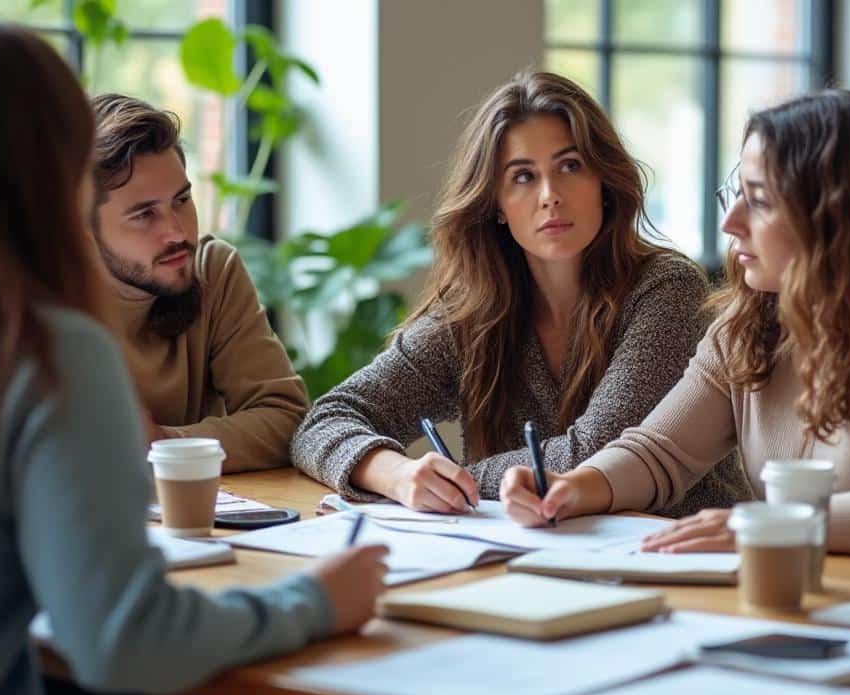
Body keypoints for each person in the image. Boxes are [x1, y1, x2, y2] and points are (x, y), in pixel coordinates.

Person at [0, 20, 387, 695]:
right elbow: (124, 639)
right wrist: (317, 602)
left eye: (182, 202)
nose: (175, 228)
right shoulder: (49, 350)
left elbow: (283, 411)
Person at [500, 90, 850, 557]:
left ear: (838, 216)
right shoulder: (746, 326)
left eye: (761, 200)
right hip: (794, 597)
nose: (730, 222)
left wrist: (754, 524)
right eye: (737, 193)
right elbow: (659, 452)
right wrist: (572, 487)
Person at [290, 71, 748, 516]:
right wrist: (398, 476)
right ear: (497, 205)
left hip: (673, 559)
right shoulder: (472, 312)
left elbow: (595, 456)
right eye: (523, 177)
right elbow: (326, 419)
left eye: (570, 166)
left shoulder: (666, 289)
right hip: (529, 561)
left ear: (604, 183)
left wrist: (458, 478)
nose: (550, 195)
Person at [91, 93, 309, 473]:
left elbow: (287, 420)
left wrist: (164, 444)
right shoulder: (33, 301)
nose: (177, 231)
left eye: (182, 200)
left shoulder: (212, 270)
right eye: (144, 215)